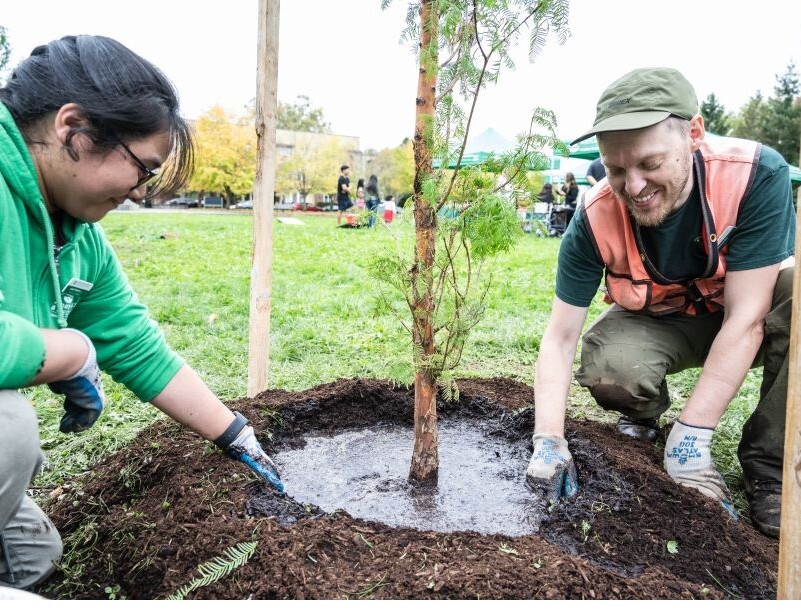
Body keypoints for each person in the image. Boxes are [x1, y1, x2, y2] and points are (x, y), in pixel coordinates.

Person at [0, 35, 285, 591]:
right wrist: (71, 352)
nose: (139, 193)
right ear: (72, 127)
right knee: (9, 430)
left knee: (33, 557)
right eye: (142, 169)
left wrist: (236, 436)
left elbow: (136, 346)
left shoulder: (79, 238)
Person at [524, 67, 794, 539]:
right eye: (616, 169)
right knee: (611, 366)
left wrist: (692, 438)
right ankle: (646, 414)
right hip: (662, 321)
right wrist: (548, 440)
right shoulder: (593, 216)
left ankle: (770, 466)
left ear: (693, 133)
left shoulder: (755, 175)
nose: (633, 186)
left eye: (650, 164)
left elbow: (749, 316)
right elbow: (561, 337)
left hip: (738, 315)